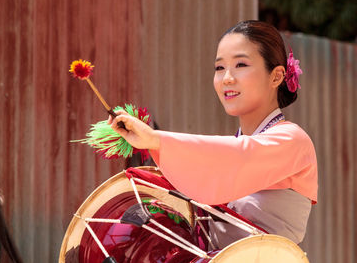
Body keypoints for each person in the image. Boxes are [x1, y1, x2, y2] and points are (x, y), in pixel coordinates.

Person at [108, 20, 318, 248]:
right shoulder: (224, 152)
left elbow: (240, 156)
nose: (227, 77)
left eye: (241, 65)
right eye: (219, 68)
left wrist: (156, 140)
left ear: (276, 77)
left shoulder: (293, 140)